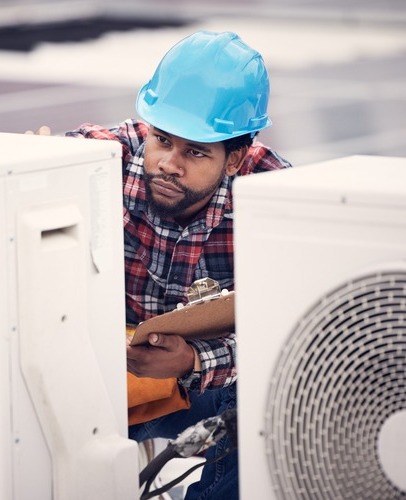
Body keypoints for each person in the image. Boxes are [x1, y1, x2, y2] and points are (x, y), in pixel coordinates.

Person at [65, 30, 292, 499]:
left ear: (235, 159)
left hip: (206, 386)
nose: (168, 163)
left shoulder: (276, 200)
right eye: (162, 140)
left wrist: (193, 359)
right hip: (101, 377)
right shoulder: (106, 157)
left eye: (195, 151)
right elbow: (34, 165)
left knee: (271, 410)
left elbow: (292, 333)